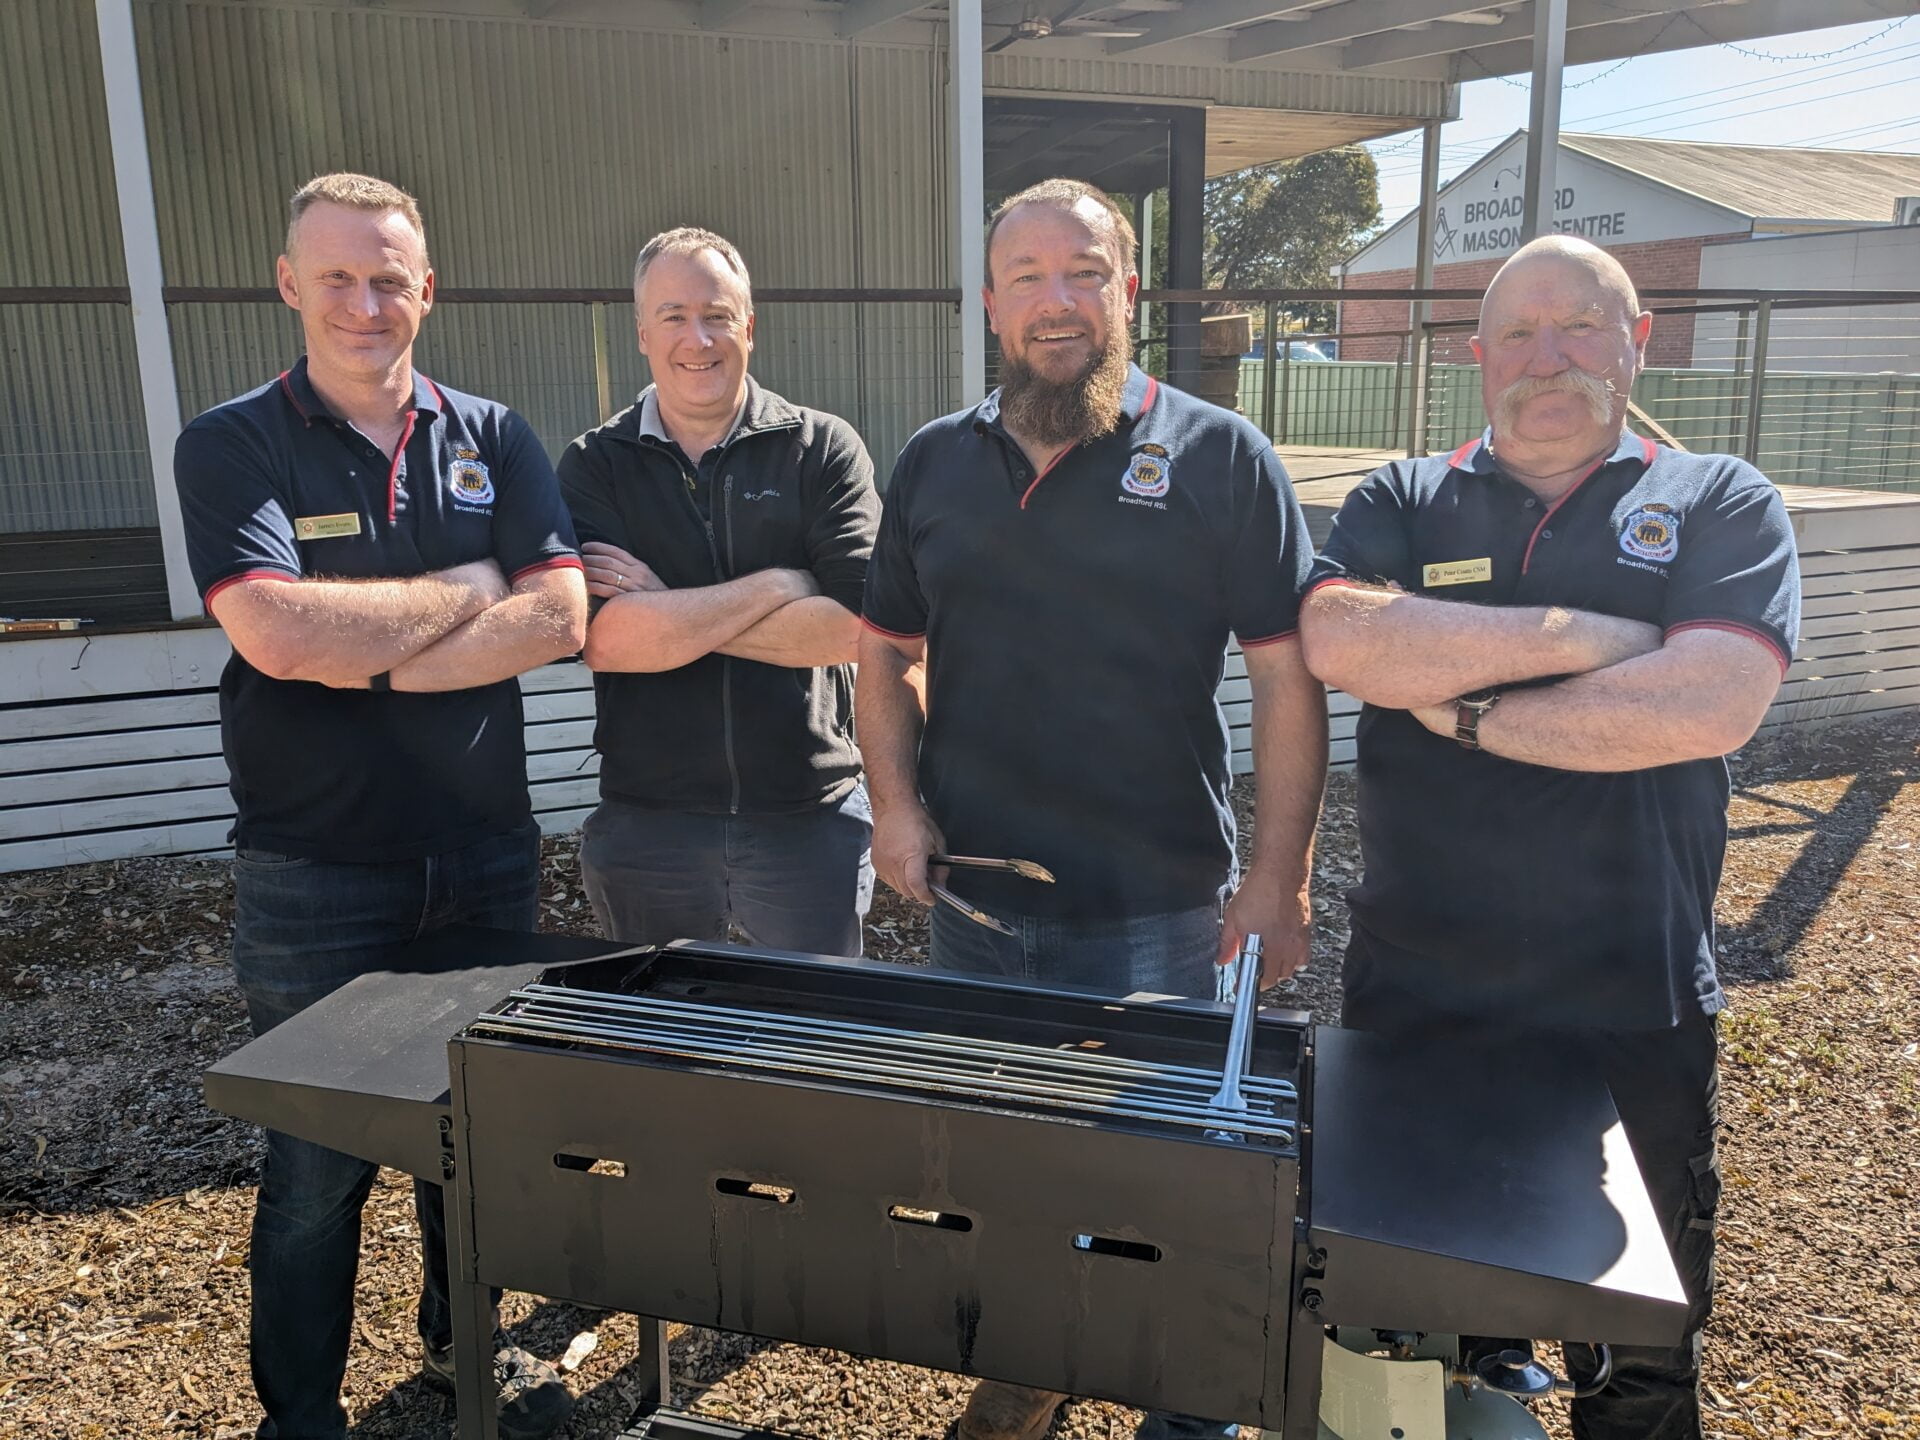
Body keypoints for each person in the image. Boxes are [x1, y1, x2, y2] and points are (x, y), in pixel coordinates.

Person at [1298, 234, 1800, 1440]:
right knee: (1422, 1322)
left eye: (1581, 325)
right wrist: (1600, 638)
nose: (1548, 355)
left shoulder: (1717, 498)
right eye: (1518, 332)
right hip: (1422, 990)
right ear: (1477, 357)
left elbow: (1710, 701)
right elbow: (1345, 641)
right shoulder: (1402, 497)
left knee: (1637, 1341)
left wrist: (1466, 702)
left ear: (1635, 344)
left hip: (1629, 995)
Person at [857, 178, 1327, 1440]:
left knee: (1167, 1184)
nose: (1055, 300)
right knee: (1007, 1165)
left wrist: (1276, 879)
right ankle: (1028, 1366)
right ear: (992, 301)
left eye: (1084, 272)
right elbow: (887, 647)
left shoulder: (1220, 455)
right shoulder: (934, 462)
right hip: (976, 903)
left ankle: (1184, 1406)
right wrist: (892, 803)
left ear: (1128, 288)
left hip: (1158, 907)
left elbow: (1288, 677)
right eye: (1027, 276)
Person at [175, 173, 587, 1440]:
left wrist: (373, 639)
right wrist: (466, 589)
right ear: (290, 283)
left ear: (428, 288)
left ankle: (472, 1357)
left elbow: (562, 613)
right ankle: (300, 1415)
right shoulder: (233, 441)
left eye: (390, 277)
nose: (367, 302)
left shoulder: (496, 436)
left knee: (479, 1134)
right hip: (317, 871)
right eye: (339, 276)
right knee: (316, 1163)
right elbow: (276, 631)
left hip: (482, 855)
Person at [558, 227, 879, 956]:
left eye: (717, 314)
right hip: (649, 824)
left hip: (808, 818)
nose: (697, 339)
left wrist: (665, 602)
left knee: (812, 1046)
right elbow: (606, 641)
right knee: (658, 1046)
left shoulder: (821, 448)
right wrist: (781, 583)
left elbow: (855, 627)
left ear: (750, 327)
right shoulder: (595, 465)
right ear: (643, 334)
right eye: (673, 316)